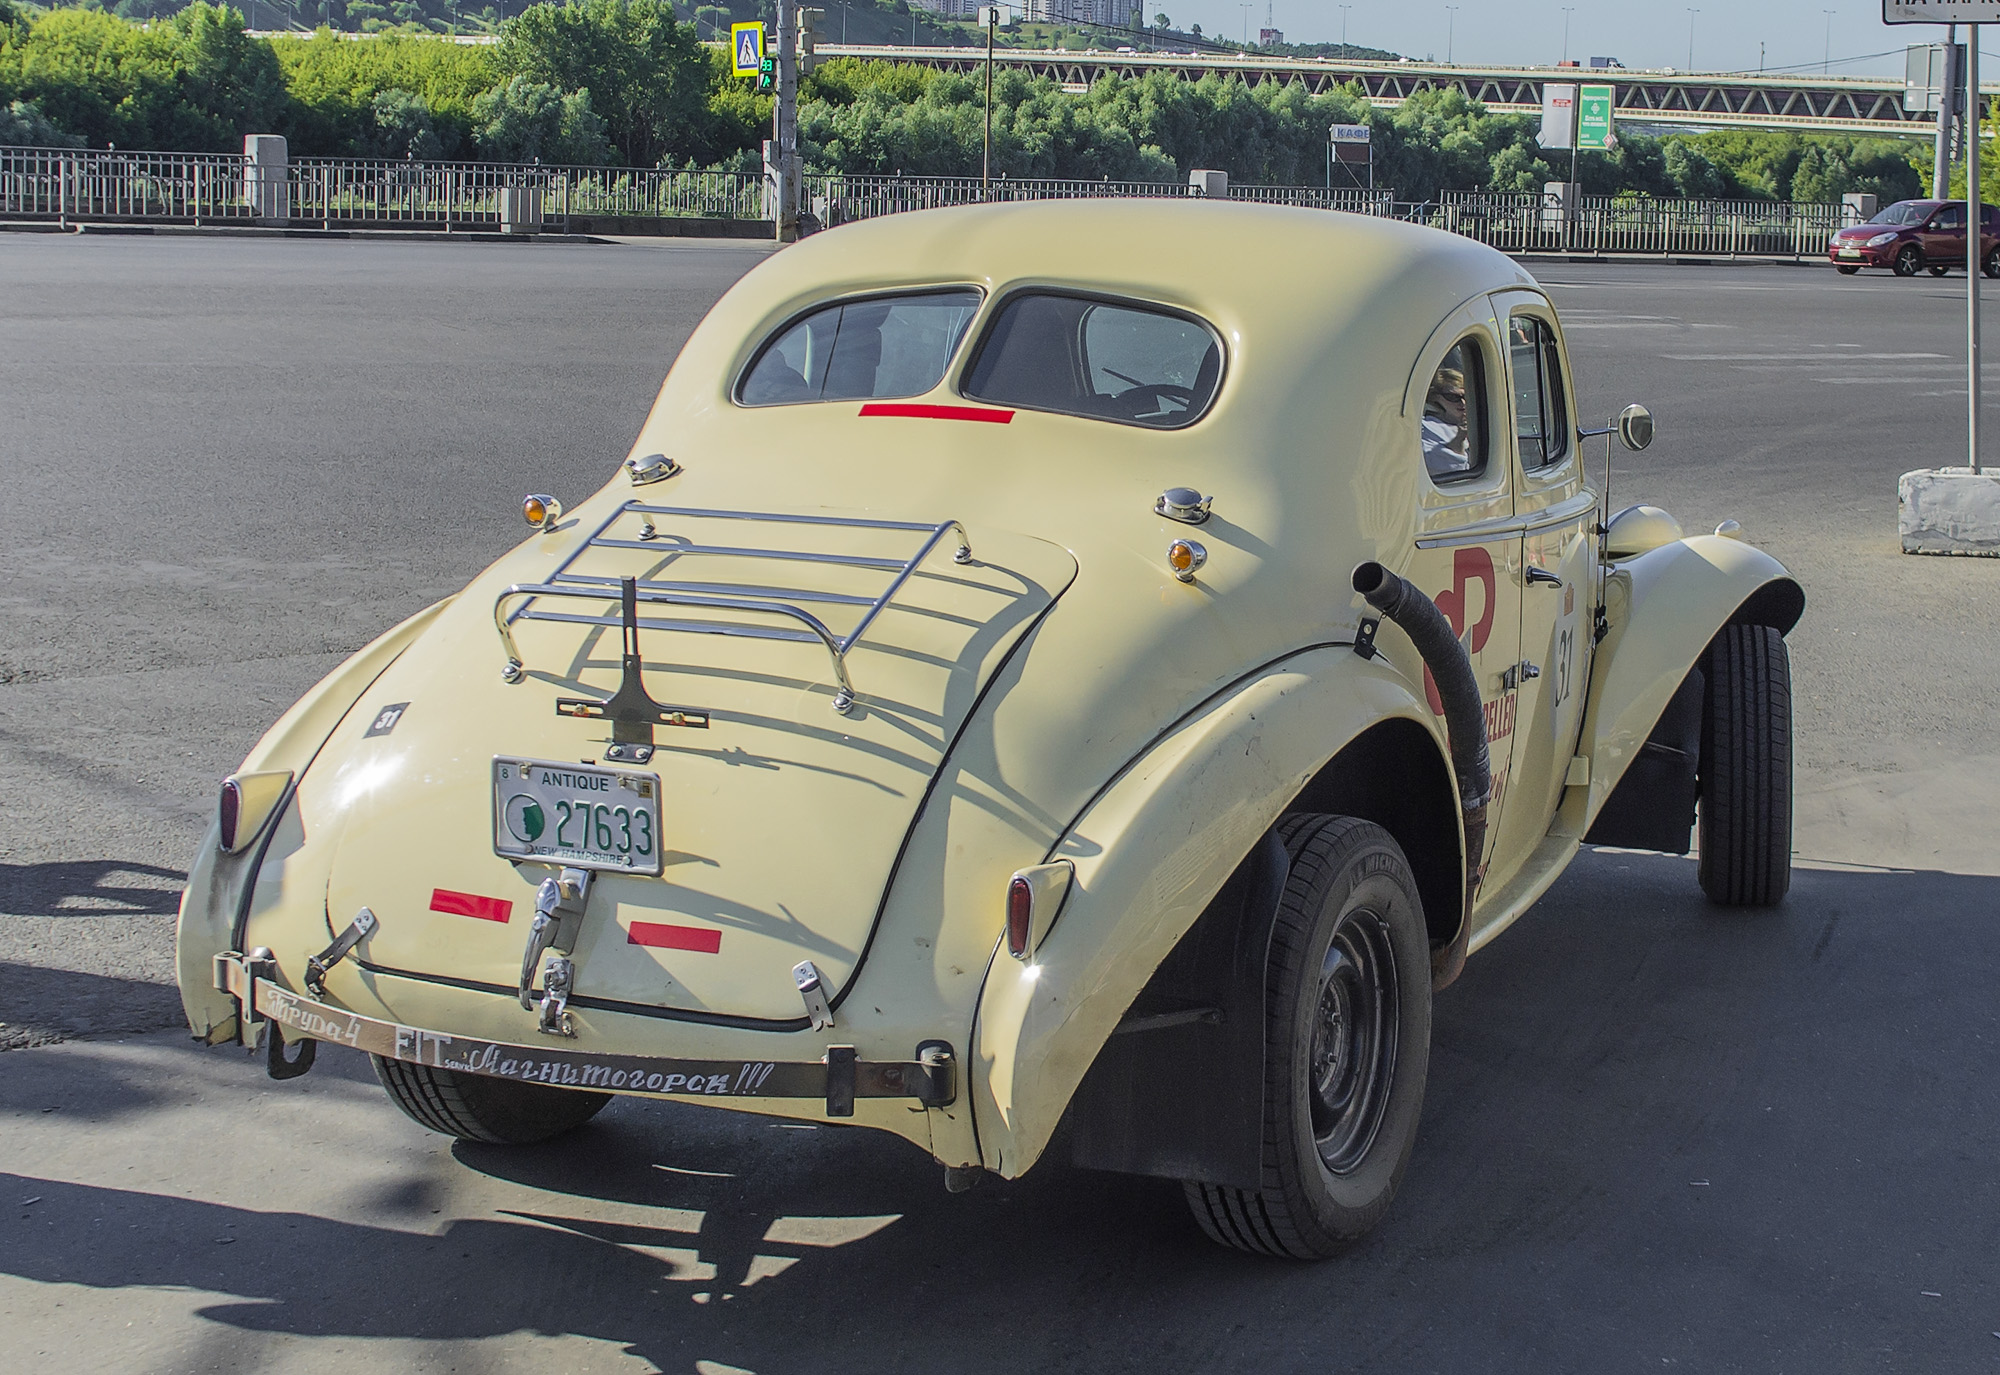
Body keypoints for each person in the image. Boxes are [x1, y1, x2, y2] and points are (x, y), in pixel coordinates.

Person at [1421, 364, 1473, 478]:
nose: (1463, 403)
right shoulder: (1426, 428)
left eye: (1467, 396)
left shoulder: (1482, 421)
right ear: (1435, 397)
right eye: (1453, 397)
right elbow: (1436, 466)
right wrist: (1459, 439)